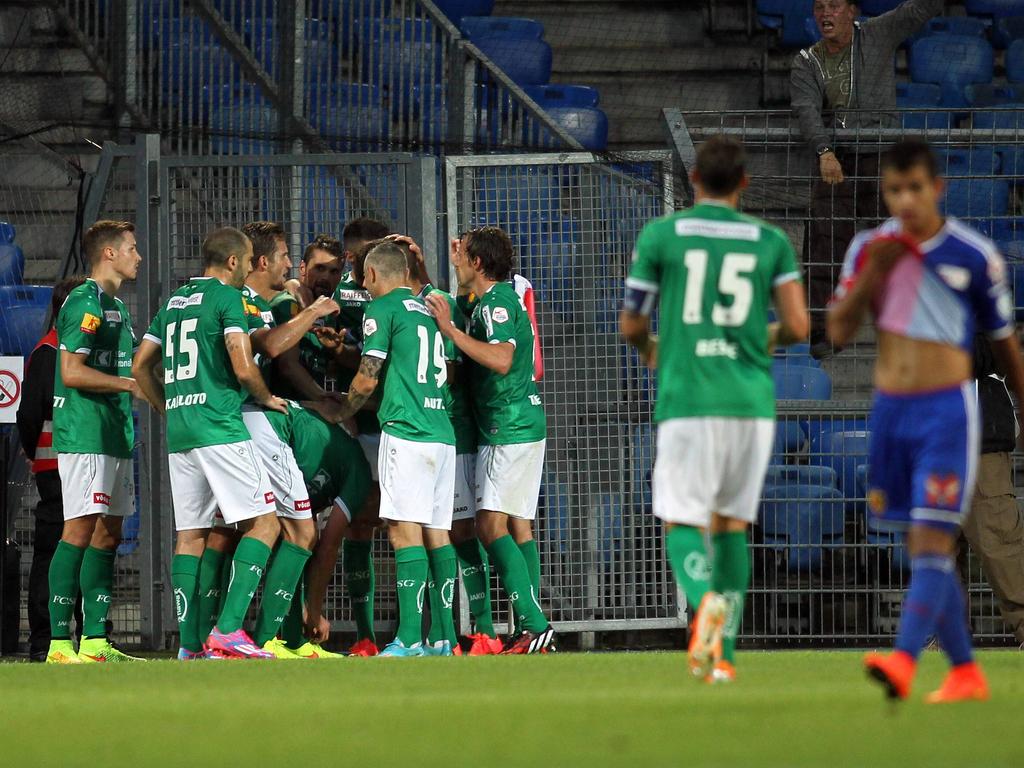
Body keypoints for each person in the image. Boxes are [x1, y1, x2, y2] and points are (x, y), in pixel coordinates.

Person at [827, 139, 1024, 703]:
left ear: (937, 189)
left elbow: (1003, 351)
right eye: (894, 190)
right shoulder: (871, 249)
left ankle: (908, 660)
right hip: (897, 417)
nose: (905, 200)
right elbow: (836, 334)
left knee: (992, 545)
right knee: (929, 548)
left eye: (915, 188)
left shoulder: (970, 256)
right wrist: (871, 278)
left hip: (963, 421)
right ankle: (959, 666)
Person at [619, 135, 810, 683]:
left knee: (683, 518)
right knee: (731, 526)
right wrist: (755, 338)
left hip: (689, 398)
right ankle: (721, 651)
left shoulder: (662, 235)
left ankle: (702, 606)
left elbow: (632, 323)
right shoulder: (769, 240)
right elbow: (799, 327)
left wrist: (656, 349)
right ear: (745, 184)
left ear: (693, 180)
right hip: (749, 404)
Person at [132, 226, 289, 660]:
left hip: (181, 430)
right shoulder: (226, 299)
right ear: (234, 262)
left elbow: (140, 364)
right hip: (220, 425)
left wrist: (168, 408)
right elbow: (242, 366)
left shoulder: (174, 302)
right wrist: (265, 397)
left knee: (191, 535)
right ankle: (228, 630)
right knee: (266, 522)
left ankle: (188, 646)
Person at [311, 241, 456, 657]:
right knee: (436, 533)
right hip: (441, 432)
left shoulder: (382, 310)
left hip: (407, 432)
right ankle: (443, 637)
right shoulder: (429, 308)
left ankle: (409, 637)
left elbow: (368, 376)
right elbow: (443, 368)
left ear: (372, 275)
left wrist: (342, 413)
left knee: (402, 531)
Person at [426, 228, 556, 655]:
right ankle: (530, 626)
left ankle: (535, 624)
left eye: (461, 256)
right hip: (516, 424)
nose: (457, 262)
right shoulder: (486, 301)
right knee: (516, 525)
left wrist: (449, 329)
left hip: (508, 426)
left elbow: (500, 359)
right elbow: (458, 305)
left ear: (478, 263)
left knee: (488, 525)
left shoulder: (498, 303)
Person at [791, 0, 942, 352]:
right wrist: (823, 150)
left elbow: (919, 10)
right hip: (838, 158)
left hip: (881, 156)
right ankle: (823, 329)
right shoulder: (806, 61)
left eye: (834, 6)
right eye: (819, 8)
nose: (825, 14)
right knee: (825, 239)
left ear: (852, 11)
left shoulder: (876, 33)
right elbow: (806, 109)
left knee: (898, 242)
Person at [46, 221, 144, 664]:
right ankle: (59, 644)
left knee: (110, 532)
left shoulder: (117, 307)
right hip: (86, 433)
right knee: (80, 529)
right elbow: (71, 372)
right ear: (109, 253)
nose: (138, 256)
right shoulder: (84, 302)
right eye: (132, 248)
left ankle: (96, 642)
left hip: (114, 432)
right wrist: (126, 386)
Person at [17, 276, 85, 661]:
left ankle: (48, 640)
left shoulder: (47, 349)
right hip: (64, 462)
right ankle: (75, 636)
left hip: (52, 462)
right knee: (72, 547)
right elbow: (30, 414)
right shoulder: (56, 350)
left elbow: (29, 414)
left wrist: (33, 452)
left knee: (54, 549)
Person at [960, 334, 1024, 646]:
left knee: (1000, 545)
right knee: (936, 552)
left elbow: (989, 354)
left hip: (981, 443)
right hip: (931, 445)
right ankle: (946, 639)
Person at [270, 234, 345, 401]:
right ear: (302, 268)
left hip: (312, 405)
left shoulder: (330, 313)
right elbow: (288, 366)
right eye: (319, 268)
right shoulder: (287, 304)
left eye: (334, 271)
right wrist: (324, 400)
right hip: (288, 410)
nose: (326, 277)